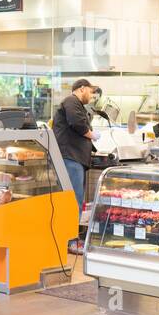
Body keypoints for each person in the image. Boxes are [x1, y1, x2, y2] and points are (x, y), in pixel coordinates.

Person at [52, 78, 96, 220]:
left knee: (74, 198)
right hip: (70, 157)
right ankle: (70, 237)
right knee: (73, 199)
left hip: (75, 158)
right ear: (82, 89)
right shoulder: (71, 101)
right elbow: (77, 123)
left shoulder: (76, 104)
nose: (92, 96)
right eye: (90, 92)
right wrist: (92, 135)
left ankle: (70, 234)